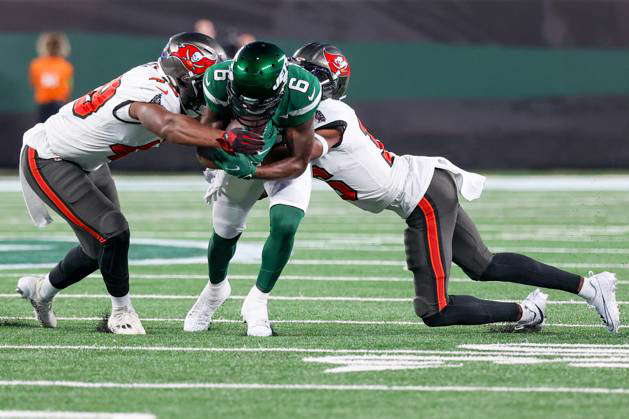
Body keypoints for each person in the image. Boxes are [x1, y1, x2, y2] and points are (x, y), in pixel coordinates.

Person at [292, 42, 620, 332]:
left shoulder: (330, 113)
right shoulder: (307, 115)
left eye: (303, 76)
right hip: (426, 185)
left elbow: (304, 151)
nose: (295, 84)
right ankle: (591, 288)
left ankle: (528, 311)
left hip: (422, 196)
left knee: (434, 309)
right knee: (484, 264)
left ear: (320, 82)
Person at [16, 33, 264, 335]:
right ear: (182, 77)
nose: (206, 91)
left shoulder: (177, 85)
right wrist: (225, 139)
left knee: (101, 248)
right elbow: (167, 125)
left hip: (89, 160)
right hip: (51, 155)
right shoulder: (150, 89)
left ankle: (42, 291)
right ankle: (121, 313)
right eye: (201, 82)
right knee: (113, 231)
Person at [184, 41, 324, 336]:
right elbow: (203, 148)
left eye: (258, 100)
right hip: (239, 156)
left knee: (286, 222)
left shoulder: (301, 90)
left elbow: (299, 161)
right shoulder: (219, 80)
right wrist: (227, 158)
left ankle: (258, 301)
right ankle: (214, 291)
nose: (250, 107)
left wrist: (254, 171)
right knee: (224, 233)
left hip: (281, 159)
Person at [29, 32, 74, 122]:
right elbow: (68, 88)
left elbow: (34, 83)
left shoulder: (36, 64)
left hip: (44, 104)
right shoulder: (66, 66)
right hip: (58, 105)